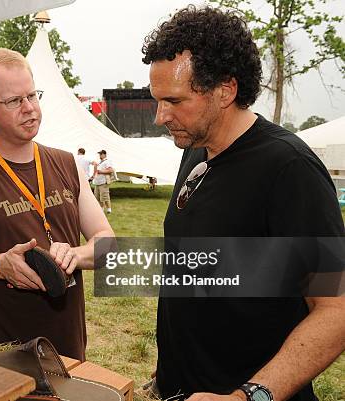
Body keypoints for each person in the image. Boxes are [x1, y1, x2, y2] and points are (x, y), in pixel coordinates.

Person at [142, 6, 345, 401]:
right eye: (157, 100)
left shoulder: (289, 168)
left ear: (225, 90)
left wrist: (248, 396)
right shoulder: (196, 148)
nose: (159, 116)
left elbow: (336, 310)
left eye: (174, 100)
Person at [0, 48, 114, 360]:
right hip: (2, 367)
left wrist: (75, 255)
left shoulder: (66, 164)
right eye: (14, 101)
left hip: (70, 357)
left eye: (32, 96)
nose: (29, 109)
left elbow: (109, 245)